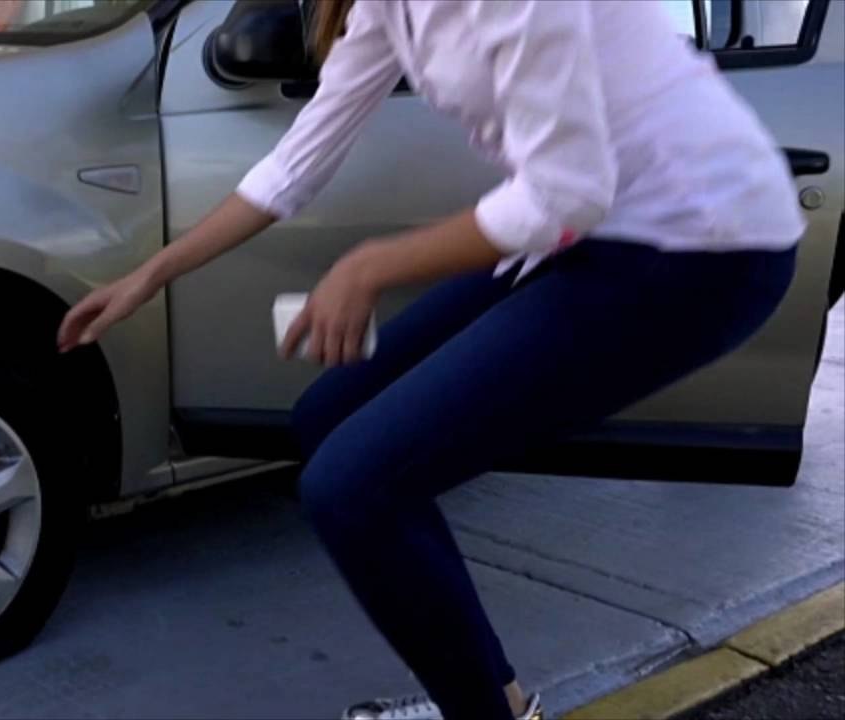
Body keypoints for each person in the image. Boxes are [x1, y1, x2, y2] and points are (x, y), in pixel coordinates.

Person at [57, 1, 804, 718]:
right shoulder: (387, 8)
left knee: (353, 488)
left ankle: (485, 710)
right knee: (328, 419)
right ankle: (490, 694)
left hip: (703, 247)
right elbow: (295, 164)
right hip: (588, 235)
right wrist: (151, 274)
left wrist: (371, 267)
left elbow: (565, 195)